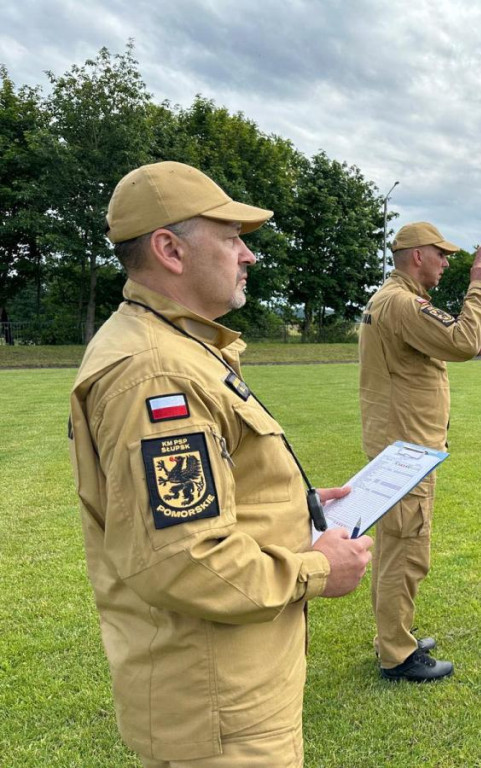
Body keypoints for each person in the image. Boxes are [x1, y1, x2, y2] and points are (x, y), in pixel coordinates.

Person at [68, 161, 373, 767]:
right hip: (220, 710)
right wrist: (316, 569)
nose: (248, 255)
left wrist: (301, 510)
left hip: (226, 691)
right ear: (169, 250)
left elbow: (212, 499)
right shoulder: (156, 371)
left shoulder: (173, 345)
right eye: (231, 237)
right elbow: (186, 559)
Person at [359, 222, 481, 681]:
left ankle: (392, 636)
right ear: (417, 255)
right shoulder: (402, 303)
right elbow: (463, 342)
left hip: (400, 444)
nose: (445, 264)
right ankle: (397, 654)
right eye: (441, 255)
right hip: (406, 451)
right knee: (407, 550)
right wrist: (480, 289)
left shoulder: (388, 299)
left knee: (394, 547)